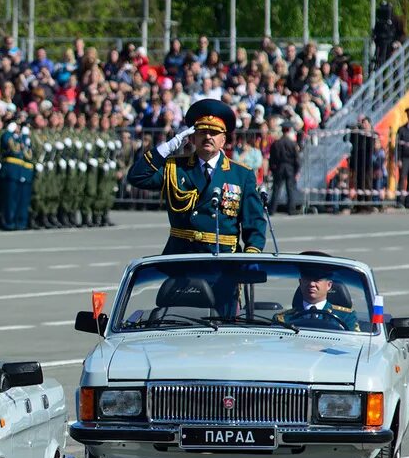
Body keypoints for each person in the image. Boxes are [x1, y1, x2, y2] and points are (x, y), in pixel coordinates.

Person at [127, 98, 266, 254]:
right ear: (192, 138)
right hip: (182, 257)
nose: (208, 137)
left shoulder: (241, 174)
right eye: (202, 132)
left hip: (223, 259)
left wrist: (250, 257)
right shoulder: (175, 168)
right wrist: (168, 147)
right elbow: (137, 177)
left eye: (214, 133)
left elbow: (254, 222)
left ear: (223, 140)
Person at [274, 259, 359, 331]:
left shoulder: (346, 317)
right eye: (307, 279)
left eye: (317, 279)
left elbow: (355, 345)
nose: (311, 284)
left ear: (329, 285)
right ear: (300, 283)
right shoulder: (283, 319)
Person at [267, 123, 300, 215]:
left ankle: (272, 209)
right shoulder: (292, 144)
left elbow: (272, 158)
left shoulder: (276, 143)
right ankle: (291, 209)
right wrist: (297, 170)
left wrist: (272, 169)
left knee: (276, 189)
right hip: (289, 167)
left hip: (279, 167)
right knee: (290, 189)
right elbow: (296, 158)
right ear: (289, 131)